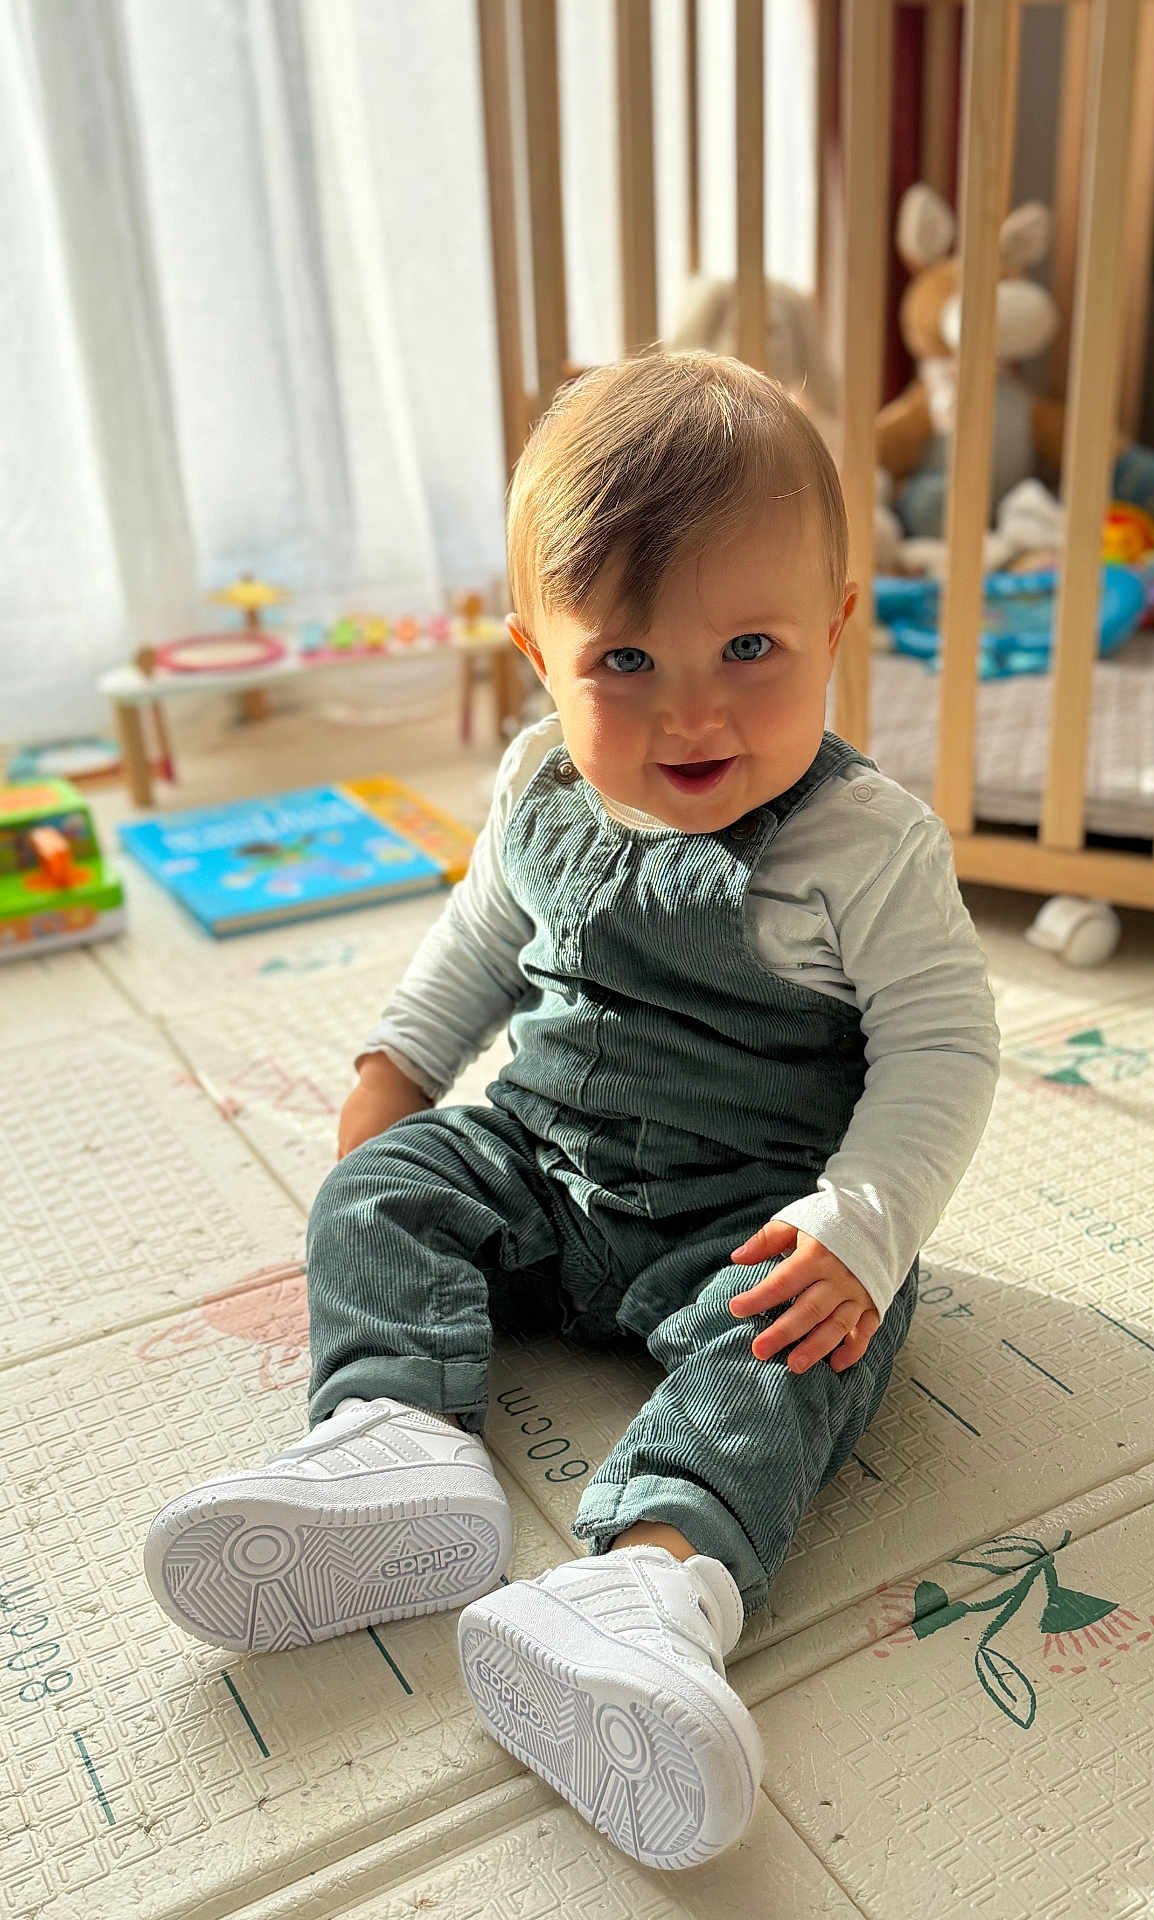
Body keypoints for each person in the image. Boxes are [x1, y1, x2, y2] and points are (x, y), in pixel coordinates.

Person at [144, 350, 999, 1871]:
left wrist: (857, 1229)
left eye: (750, 646)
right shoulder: (539, 780)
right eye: (626, 664)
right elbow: (480, 939)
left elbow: (944, 1050)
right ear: (539, 654)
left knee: (796, 1352)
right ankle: (396, 1437)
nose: (696, 715)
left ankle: (648, 1587)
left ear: (835, 629)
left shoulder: (865, 844)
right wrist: (397, 1074)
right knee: (385, 1189)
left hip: (750, 1216)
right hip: (541, 1163)